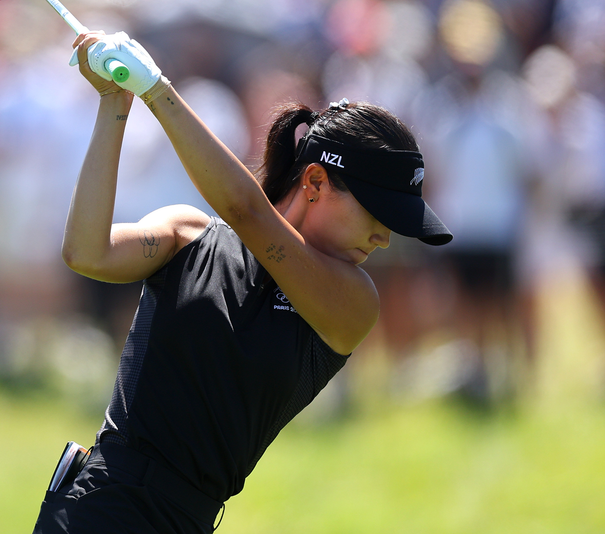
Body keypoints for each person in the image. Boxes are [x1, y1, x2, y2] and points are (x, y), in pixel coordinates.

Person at [33, 31, 452, 534]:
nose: (384, 237)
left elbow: (246, 211)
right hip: (100, 501)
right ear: (316, 182)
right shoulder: (187, 235)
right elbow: (86, 250)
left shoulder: (354, 301)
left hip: (184, 519)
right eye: (377, 214)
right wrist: (114, 101)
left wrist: (157, 90)